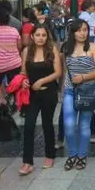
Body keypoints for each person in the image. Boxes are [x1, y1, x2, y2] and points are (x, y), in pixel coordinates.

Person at [62, 19, 95, 170]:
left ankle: (81, 155)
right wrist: (62, 90)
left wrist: (83, 77)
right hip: (70, 90)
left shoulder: (93, 47)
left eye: (85, 30)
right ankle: (72, 154)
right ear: (73, 32)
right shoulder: (66, 48)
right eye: (79, 30)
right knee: (69, 125)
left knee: (84, 125)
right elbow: (65, 70)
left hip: (88, 91)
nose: (82, 33)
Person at [19, 24, 61, 176]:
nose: (40, 38)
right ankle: (27, 162)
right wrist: (24, 80)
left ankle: (50, 155)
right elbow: (23, 71)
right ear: (32, 36)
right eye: (37, 35)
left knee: (47, 124)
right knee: (29, 126)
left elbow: (58, 72)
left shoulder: (52, 50)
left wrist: (42, 81)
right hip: (32, 94)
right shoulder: (26, 51)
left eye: (43, 35)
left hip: (49, 92)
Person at [0, 3, 24, 91]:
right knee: (16, 87)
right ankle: (13, 98)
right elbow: (19, 47)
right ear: (8, 20)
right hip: (14, 64)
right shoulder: (14, 31)